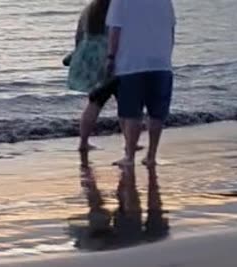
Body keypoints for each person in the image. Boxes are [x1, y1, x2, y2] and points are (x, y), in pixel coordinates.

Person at [106, 0, 177, 167]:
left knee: (131, 112)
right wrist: (166, 55)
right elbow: (172, 28)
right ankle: (151, 156)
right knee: (157, 112)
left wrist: (110, 57)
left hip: (131, 63)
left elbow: (115, 29)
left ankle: (129, 157)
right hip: (161, 62)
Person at [66, 0, 117, 153]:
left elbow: (78, 37)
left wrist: (76, 57)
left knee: (95, 102)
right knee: (125, 102)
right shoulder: (116, 11)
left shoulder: (88, 11)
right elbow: (118, 36)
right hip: (109, 59)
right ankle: (130, 142)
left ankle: (83, 142)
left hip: (92, 62)